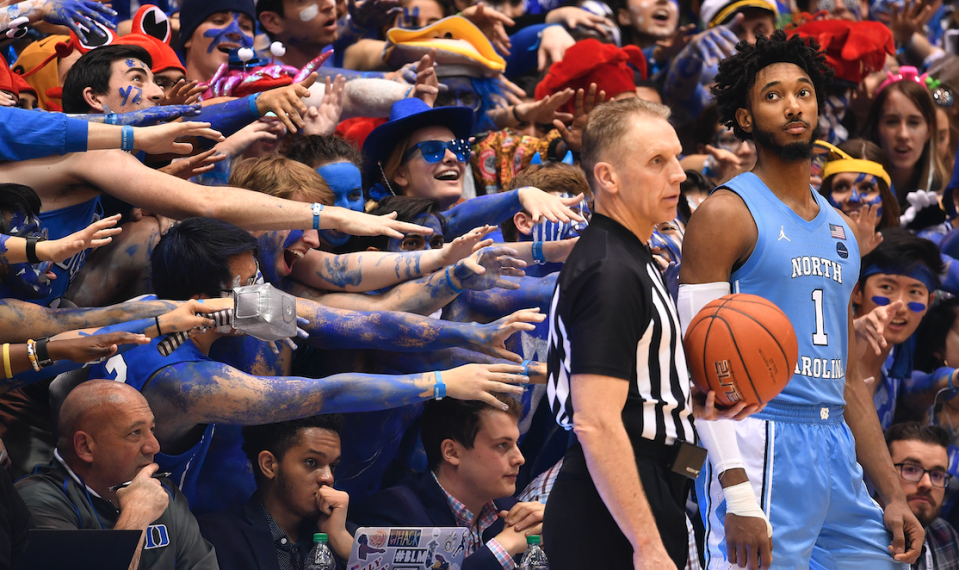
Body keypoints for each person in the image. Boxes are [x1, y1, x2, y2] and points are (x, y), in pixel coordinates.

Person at [679, 30, 923, 569]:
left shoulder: (839, 229)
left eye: (804, 91)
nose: (793, 105)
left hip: (833, 441)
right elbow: (700, 371)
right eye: (773, 95)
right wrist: (737, 493)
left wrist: (893, 493)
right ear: (745, 118)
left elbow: (847, 377)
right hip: (759, 439)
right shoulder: (725, 214)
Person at [542, 96, 695, 570]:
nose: (680, 174)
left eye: (676, 157)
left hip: (648, 483)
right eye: (657, 161)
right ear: (607, 177)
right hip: (616, 502)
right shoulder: (610, 268)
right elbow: (596, 420)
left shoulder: (630, 254)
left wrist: (690, 402)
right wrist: (646, 544)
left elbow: (636, 394)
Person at [15, 380, 218, 570]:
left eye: (152, 429)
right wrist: (136, 516)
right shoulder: (37, 500)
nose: (154, 447)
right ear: (85, 447)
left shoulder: (163, 493)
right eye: (135, 433)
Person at [351, 394, 545, 570]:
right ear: (452, 452)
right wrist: (502, 547)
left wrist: (555, 529)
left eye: (516, 444)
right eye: (502, 445)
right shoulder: (393, 513)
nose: (519, 458)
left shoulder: (512, 513)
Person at [198, 414, 357, 569]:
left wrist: (341, 540)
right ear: (269, 465)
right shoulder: (216, 536)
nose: (328, 478)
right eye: (311, 462)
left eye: (333, 466)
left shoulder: (346, 536)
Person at [885, 422, 959, 570]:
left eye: (937, 475)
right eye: (911, 469)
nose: (927, 484)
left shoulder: (944, 535)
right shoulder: (856, 539)